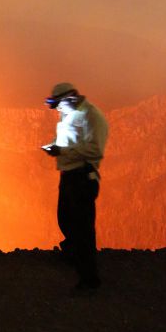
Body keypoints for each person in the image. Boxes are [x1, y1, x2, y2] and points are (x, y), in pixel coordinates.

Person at [41, 82, 109, 290]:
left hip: (82, 177)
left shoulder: (92, 116)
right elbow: (67, 138)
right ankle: (72, 254)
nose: (58, 110)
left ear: (69, 98)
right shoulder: (70, 114)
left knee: (82, 227)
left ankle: (89, 278)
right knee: (66, 218)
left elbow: (94, 150)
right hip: (70, 175)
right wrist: (55, 146)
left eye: (58, 105)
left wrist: (62, 152)